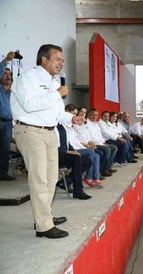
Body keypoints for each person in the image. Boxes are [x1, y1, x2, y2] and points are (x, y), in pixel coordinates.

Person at [11, 44, 82, 238]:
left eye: (62, 60)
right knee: (40, 179)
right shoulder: (28, 78)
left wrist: (71, 119)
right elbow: (30, 105)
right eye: (58, 59)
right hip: (30, 131)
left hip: (50, 133)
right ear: (44, 59)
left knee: (52, 178)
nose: (61, 63)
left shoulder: (53, 82)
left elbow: (57, 112)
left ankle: (45, 216)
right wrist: (57, 93)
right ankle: (43, 225)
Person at [0, 51, 16, 180]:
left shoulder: (14, 92)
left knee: (4, 150)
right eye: (5, 74)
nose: (8, 76)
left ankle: (3, 173)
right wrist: (6, 60)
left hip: (8, 123)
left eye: (10, 74)